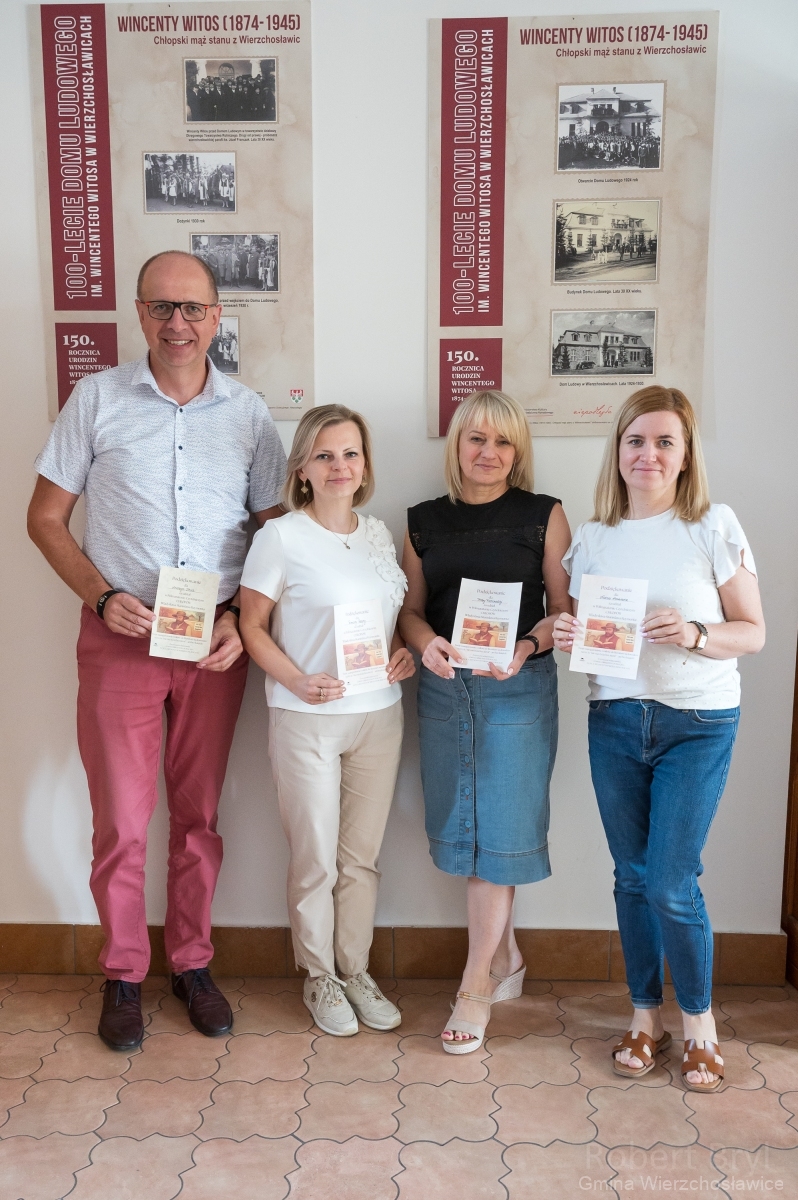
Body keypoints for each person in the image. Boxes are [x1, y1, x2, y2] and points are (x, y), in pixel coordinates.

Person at [27, 250, 287, 1051]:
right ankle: (123, 973)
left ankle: (192, 963)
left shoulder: (249, 414)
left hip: (214, 643)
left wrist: (241, 621)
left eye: (193, 308)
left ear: (217, 316)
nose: (179, 324)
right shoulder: (96, 399)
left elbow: (279, 534)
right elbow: (44, 518)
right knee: (122, 821)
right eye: (163, 307)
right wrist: (102, 598)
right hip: (120, 639)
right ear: (140, 313)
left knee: (199, 815)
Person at [553, 386, 765, 1093]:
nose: (648, 454)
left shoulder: (712, 525)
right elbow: (577, 630)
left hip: (697, 723)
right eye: (636, 440)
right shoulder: (593, 537)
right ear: (618, 450)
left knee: (673, 881)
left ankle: (699, 1025)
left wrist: (697, 633)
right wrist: (562, 632)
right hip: (615, 720)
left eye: (664, 441)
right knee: (632, 877)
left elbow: (754, 632)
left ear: (685, 454)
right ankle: (646, 1016)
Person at [398, 390, 572, 1054]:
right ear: (457, 445)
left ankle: (475, 987)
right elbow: (411, 611)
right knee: (468, 829)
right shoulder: (422, 521)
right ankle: (506, 959)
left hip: (517, 690)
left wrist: (527, 646)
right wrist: (425, 644)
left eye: (503, 441)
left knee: (500, 831)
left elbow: (565, 611)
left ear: (518, 451)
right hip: (446, 690)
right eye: (476, 438)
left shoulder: (544, 515)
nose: (489, 452)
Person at [240, 405, 415, 1037]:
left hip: (379, 715)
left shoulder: (378, 534)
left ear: (365, 464)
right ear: (303, 470)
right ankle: (318, 974)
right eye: (325, 455)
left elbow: (386, 618)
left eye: (351, 454)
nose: (340, 466)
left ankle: (355, 969)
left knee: (360, 858)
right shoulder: (280, 537)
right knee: (314, 857)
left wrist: (400, 651)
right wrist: (295, 679)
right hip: (307, 718)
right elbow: (251, 626)